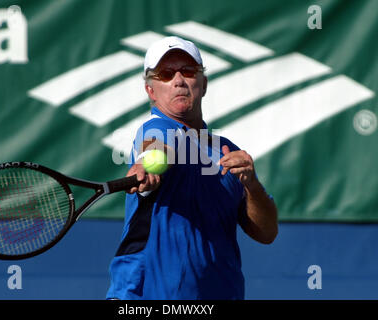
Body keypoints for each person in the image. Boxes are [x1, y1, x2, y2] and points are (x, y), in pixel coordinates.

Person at [106, 36, 278, 300]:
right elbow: (157, 146)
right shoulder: (156, 129)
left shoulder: (226, 151)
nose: (178, 80)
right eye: (165, 73)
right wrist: (146, 165)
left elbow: (267, 233)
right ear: (151, 91)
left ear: (204, 83)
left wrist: (252, 186)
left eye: (187, 71)